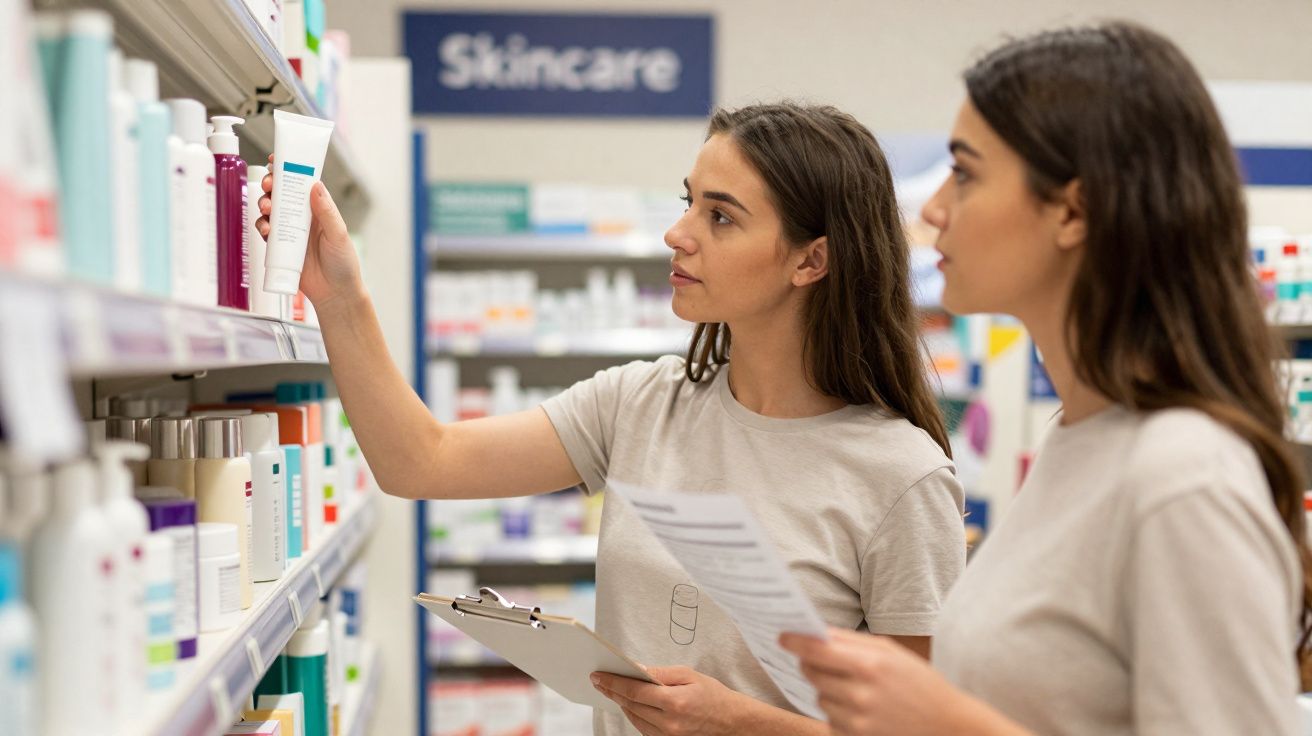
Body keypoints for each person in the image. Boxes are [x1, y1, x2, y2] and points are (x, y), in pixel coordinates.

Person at [259, 102, 966, 735]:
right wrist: (340, 295)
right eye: (688, 203)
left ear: (812, 260)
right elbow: (420, 460)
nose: (677, 233)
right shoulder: (642, 403)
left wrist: (744, 726)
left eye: (720, 216)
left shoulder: (900, 477)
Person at [782, 21, 1309, 736]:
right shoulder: (1082, 437)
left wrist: (949, 724)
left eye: (964, 173)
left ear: (1073, 209)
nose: (933, 210)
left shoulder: (1183, 475)